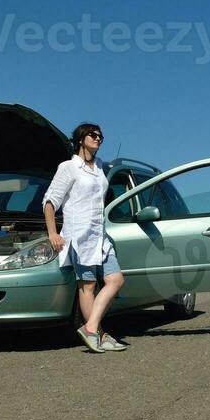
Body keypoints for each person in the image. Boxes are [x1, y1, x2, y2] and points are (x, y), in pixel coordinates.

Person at [42, 123, 128, 352]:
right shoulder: (68, 167)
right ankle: (98, 335)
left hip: (100, 234)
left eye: (101, 135)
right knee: (87, 285)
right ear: (81, 139)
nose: (98, 138)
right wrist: (53, 233)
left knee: (116, 280)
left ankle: (91, 328)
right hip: (80, 235)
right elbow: (50, 201)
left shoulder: (99, 167)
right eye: (93, 135)